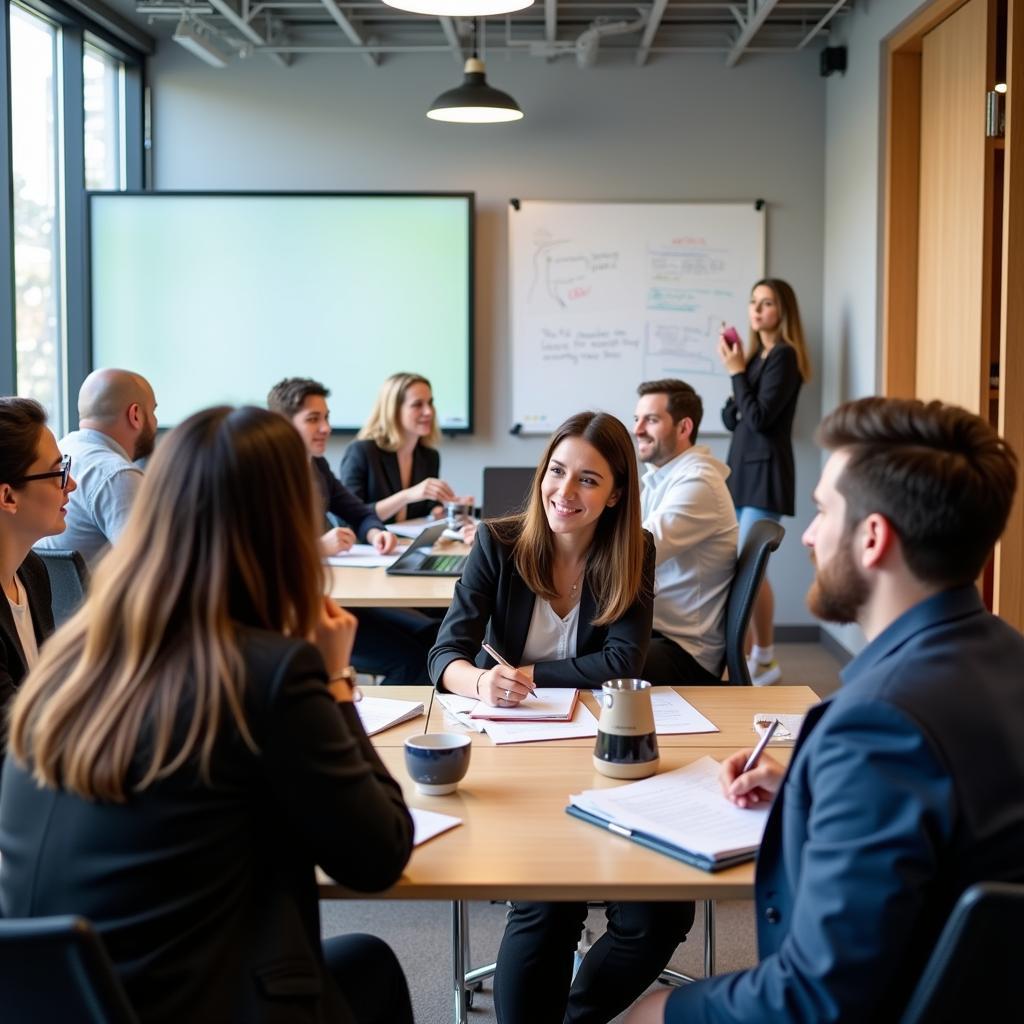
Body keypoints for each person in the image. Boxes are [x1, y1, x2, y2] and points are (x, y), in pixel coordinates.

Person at [0, 405, 415, 1024]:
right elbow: (378, 855)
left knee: (362, 964)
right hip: (192, 1002)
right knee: (369, 966)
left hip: (65, 1000)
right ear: (286, 525)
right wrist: (336, 679)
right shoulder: (270, 672)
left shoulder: (72, 661)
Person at [628, 396, 1024, 1024]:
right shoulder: (1007, 657)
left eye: (821, 512)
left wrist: (660, 1011)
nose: (808, 537)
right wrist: (816, 787)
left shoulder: (877, 726)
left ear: (872, 539)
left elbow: (813, 997)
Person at [429, 411, 691, 1024]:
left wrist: (529, 674)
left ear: (617, 493)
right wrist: (482, 681)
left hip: (606, 749)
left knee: (662, 912)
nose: (565, 494)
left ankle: (575, 1017)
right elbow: (445, 653)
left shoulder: (634, 549)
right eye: (557, 472)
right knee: (548, 902)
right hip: (518, 753)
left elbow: (625, 658)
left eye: (589, 481)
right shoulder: (497, 542)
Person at [268, 377, 434, 685]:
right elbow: (261, 553)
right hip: (303, 613)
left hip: (341, 598)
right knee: (412, 661)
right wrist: (317, 547)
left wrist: (374, 533)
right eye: (313, 419)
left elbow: (358, 512)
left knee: (434, 636)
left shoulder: (317, 466)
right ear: (282, 425)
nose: (326, 428)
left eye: (326, 418)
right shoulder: (265, 477)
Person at [718, 279, 811, 685]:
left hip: (765, 473)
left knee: (750, 567)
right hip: (740, 470)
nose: (757, 310)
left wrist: (739, 375)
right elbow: (730, 417)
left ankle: (759, 656)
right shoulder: (757, 357)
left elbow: (758, 419)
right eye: (753, 301)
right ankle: (759, 656)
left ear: (783, 311)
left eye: (767, 303)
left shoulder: (785, 357)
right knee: (742, 566)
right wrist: (738, 373)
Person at [634, 379, 737, 684]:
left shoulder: (698, 482)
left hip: (685, 652)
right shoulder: (662, 477)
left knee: (575, 654)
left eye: (651, 420)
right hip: (658, 630)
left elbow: (636, 550)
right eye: (636, 419)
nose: (638, 429)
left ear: (684, 427)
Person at [0, 397, 76, 771]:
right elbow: (13, 739)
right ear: (8, 496)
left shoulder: (31, 571)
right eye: (58, 472)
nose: (71, 484)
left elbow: (48, 696)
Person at [35, 368, 157, 566]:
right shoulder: (117, 476)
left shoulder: (60, 452)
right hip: (99, 597)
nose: (155, 421)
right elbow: (151, 569)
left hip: (52, 597)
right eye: (153, 411)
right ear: (135, 415)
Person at [341, 372, 471, 524]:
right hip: (371, 545)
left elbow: (428, 508)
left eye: (430, 403)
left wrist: (447, 508)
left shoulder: (429, 456)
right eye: (417, 404)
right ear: (393, 410)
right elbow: (349, 517)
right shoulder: (361, 451)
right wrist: (407, 496)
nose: (429, 411)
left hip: (410, 545)